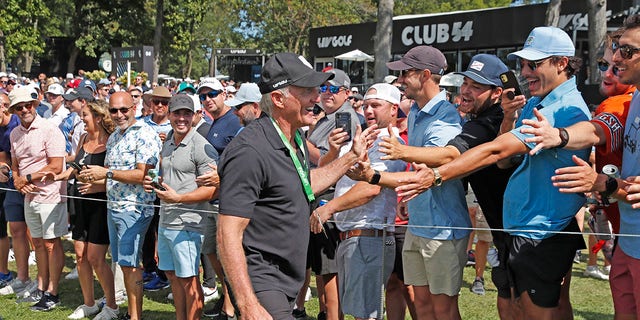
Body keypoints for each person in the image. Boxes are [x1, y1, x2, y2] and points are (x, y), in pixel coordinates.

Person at [385, 27, 590, 319]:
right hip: (519, 226)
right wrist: (508, 118)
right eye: (522, 64)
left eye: (534, 64)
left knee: (537, 311)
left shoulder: (565, 108)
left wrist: (434, 174)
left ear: (561, 63)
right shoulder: (535, 103)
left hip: (542, 229)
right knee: (513, 307)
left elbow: (495, 152)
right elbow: (505, 163)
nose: (525, 72)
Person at [217, 52, 374, 319]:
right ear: (278, 99)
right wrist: (247, 304)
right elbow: (227, 233)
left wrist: (350, 158)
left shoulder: (294, 137)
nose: (317, 96)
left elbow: (301, 184)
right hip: (261, 279)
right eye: (307, 90)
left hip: (286, 277)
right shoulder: (249, 151)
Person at [369, 53, 516, 318]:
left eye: (476, 86)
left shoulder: (459, 117)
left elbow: (449, 155)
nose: (466, 91)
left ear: (425, 76)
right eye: (466, 83)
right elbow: (428, 166)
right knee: (423, 305)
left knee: (447, 309)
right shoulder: (416, 111)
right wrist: (407, 195)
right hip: (424, 221)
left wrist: (402, 153)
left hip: (450, 227)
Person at [516, 17, 640, 319]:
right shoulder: (634, 97)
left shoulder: (619, 101)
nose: (617, 59)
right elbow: (595, 130)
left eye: (628, 51)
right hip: (628, 241)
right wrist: (558, 135)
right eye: (614, 50)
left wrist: (601, 183)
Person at [310, 83, 406, 320]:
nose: (369, 111)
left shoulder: (391, 143)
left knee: (366, 314)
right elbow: (326, 172)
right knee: (358, 311)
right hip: (352, 235)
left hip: (369, 235)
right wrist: (333, 151)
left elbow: (371, 188)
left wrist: (330, 208)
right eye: (365, 106)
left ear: (394, 109)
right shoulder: (361, 138)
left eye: (376, 105)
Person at [79, 91, 162, 320]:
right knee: (123, 263)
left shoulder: (145, 133)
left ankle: (135, 317)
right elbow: (112, 178)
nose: (119, 114)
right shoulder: (115, 136)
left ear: (134, 108)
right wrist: (94, 181)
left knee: (130, 265)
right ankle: (128, 313)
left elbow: (144, 175)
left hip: (134, 209)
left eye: (124, 109)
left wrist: (107, 173)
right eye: (114, 110)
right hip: (113, 207)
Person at [143, 94, 218, 320]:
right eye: (177, 113)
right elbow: (167, 177)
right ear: (170, 115)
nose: (182, 118)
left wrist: (179, 199)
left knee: (189, 279)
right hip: (167, 219)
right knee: (173, 275)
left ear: (195, 115)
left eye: (187, 113)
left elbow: (213, 189)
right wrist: (151, 182)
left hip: (189, 222)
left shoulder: (202, 146)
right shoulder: (167, 142)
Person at [43, 100, 119, 319]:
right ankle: (89, 303)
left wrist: (97, 185)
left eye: (85, 115)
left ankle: (111, 306)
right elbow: (75, 166)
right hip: (79, 202)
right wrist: (58, 176)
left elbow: (116, 176)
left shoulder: (112, 141)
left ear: (97, 117)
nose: (81, 119)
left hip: (99, 205)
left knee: (95, 257)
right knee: (80, 255)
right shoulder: (84, 138)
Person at [306, 68, 361, 320]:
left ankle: (332, 316)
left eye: (333, 89)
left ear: (347, 93)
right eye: (323, 89)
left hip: (329, 196)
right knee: (321, 266)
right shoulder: (327, 117)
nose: (326, 94)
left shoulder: (345, 118)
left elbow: (335, 162)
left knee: (330, 269)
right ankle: (324, 313)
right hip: (318, 195)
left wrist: (299, 141)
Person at [9, 86, 68, 311]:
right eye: (19, 107)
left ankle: (53, 292)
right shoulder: (15, 134)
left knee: (52, 244)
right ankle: (42, 287)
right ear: (14, 110)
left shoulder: (49, 129)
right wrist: (17, 181)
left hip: (51, 195)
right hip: (30, 197)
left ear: (35, 105)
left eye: (28, 105)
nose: (25, 109)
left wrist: (28, 178)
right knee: (39, 244)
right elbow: (15, 166)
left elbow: (55, 164)